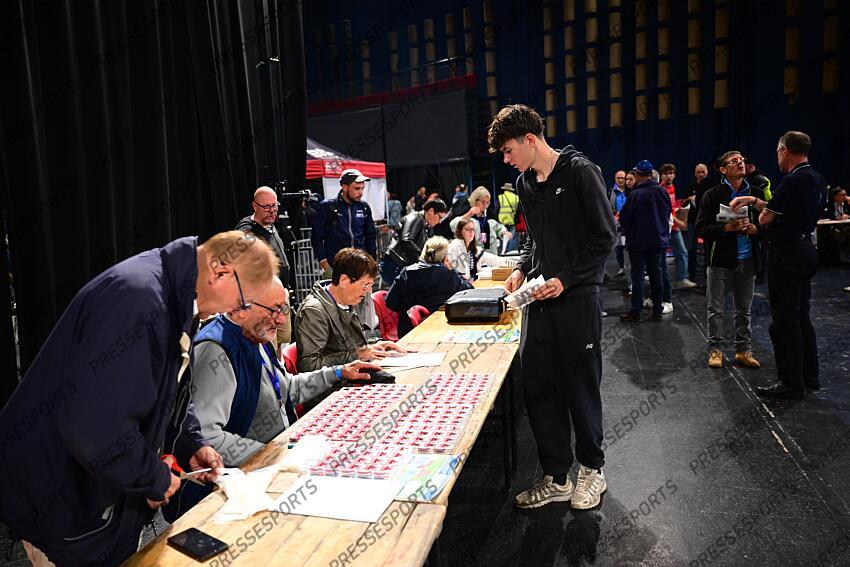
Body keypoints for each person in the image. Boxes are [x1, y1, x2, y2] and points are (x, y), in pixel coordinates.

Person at [0, 231, 277, 565]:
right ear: (220, 272)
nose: (237, 310)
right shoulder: (140, 302)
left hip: (94, 493)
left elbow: (168, 390)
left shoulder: (173, 297)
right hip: (61, 495)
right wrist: (152, 478)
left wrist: (190, 443)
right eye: (243, 302)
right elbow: (95, 428)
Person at [490, 104, 616, 510]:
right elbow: (533, 239)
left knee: (580, 387)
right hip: (538, 300)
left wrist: (566, 279)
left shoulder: (581, 172)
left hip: (577, 298)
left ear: (530, 140)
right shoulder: (525, 183)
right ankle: (557, 476)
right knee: (540, 387)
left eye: (508, 151)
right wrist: (521, 268)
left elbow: (604, 237)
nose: (506, 160)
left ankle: (592, 471)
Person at [730, 131, 825, 399]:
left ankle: (790, 382)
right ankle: (809, 376)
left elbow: (766, 219)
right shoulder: (816, 178)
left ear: (785, 151)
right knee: (801, 314)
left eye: (777, 152)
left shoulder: (791, 181)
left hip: (786, 254)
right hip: (805, 249)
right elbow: (781, 209)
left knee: (784, 320)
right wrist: (753, 200)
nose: (777, 158)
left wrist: (758, 210)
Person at [695, 151, 764, 370]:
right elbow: (701, 228)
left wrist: (757, 229)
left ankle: (743, 351)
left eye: (742, 160)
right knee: (715, 310)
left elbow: (769, 222)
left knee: (744, 310)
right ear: (723, 169)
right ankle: (715, 350)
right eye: (734, 161)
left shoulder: (756, 194)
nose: (740, 163)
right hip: (720, 261)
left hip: (748, 259)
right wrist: (726, 228)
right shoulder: (712, 195)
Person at [295, 248, 405, 372]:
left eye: (370, 285)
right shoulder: (313, 311)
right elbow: (309, 365)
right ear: (344, 281)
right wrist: (358, 355)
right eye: (365, 285)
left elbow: (349, 343)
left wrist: (374, 345)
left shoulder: (346, 299)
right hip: (337, 383)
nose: (368, 290)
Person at [237, 186, 293, 343]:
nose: (272, 210)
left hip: (282, 295)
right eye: (267, 207)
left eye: (274, 205)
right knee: (270, 343)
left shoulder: (270, 225)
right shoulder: (247, 231)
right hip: (265, 301)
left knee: (284, 339)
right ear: (255, 206)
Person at [386, 236, 472, 337]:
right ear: (446, 258)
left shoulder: (406, 273)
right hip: (442, 330)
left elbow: (390, 302)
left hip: (408, 331)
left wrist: (409, 309)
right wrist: (452, 270)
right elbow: (469, 292)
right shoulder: (448, 275)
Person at [619, 161, 672, 322]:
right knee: (656, 274)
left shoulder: (635, 194)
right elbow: (667, 214)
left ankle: (637, 311)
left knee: (638, 275)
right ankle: (657, 310)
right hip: (657, 241)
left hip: (638, 242)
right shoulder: (662, 191)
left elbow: (625, 218)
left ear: (637, 174)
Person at [311, 168, 377, 279]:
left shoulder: (364, 207)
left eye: (362, 188)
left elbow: (371, 236)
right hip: (336, 267)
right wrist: (326, 266)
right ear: (345, 187)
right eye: (357, 188)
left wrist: (372, 263)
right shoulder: (328, 206)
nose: (361, 192)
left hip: (360, 268)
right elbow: (316, 237)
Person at [380, 199, 448, 286]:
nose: (440, 221)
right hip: (395, 264)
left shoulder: (427, 226)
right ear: (431, 211)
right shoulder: (415, 217)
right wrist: (423, 258)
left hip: (402, 264)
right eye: (440, 217)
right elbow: (406, 240)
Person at [660, 163, 696, 289]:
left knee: (681, 252)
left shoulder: (672, 187)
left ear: (674, 175)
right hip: (664, 228)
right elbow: (665, 211)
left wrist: (683, 203)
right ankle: (660, 279)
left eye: (671, 173)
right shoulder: (661, 190)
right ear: (661, 176)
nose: (668, 176)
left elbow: (672, 206)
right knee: (661, 255)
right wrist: (679, 222)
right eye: (666, 174)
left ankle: (682, 278)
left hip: (674, 228)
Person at [447, 218, 518, 281]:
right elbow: (451, 270)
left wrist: (518, 265)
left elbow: (495, 260)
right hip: (458, 287)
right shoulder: (454, 245)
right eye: (467, 229)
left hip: (471, 285)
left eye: (472, 229)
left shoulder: (476, 250)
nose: (471, 232)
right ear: (459, 231)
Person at [683, 163, 709, 281]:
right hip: (692, 222)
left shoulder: (711, 187)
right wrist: (689, 199)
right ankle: (692, 275)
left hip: (707, 222)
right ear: (695, 174)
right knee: (691, 249)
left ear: (707, 172)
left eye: (703, 172)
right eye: (699, 172)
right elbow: (683, 204)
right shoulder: (690, 187)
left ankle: (707, 275)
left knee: (707, 248)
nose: (701, 174)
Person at [610, 172, 628, 276]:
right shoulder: (611, 192)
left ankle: (628, 267)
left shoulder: (630, 190)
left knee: (628, 248)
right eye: (618, 178)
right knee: (618, 248)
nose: (620, 180)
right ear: (615, 179)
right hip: (616, 225)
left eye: (622, 178)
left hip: (628, 224)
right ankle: (622, 267)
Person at [497, 182, 520, 252]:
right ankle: (510, 252)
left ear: (505, 189)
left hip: (502, 221)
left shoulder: (500, 197)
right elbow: (519, 210)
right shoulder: (516, 198)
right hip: (512, 221)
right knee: (511, 238)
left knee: (503, 237)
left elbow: (496, 209)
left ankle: (503, 252)